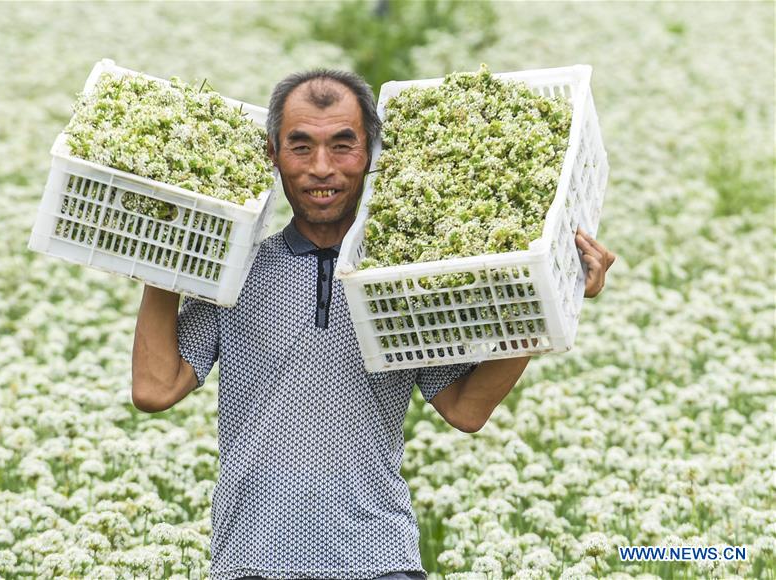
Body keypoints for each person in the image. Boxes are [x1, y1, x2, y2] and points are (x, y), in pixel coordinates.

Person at [131, 69, 616, 580]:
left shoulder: (403, 282)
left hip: (378, 560)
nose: (322, 168)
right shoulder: (240, 269)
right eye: (301, 147)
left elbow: (466, 408)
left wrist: (548, 297)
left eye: (343, 146)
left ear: (374, 156)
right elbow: (154, 388)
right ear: (272, 154)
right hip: (253, 560)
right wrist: (168, 246)